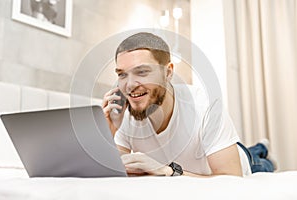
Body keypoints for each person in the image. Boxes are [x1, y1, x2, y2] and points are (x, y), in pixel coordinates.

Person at [102, 32, 276, 177]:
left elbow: (231, 179)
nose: (130, 85)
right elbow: (118, 177)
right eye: (122, 74)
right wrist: (108, 133)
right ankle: (259, 148)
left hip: (230, 165)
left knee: (258, 163)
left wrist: (167, 171)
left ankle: (261, 152)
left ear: (168, 72)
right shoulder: (124, 113)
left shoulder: (206, 105)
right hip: (194, 169)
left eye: (141, 72)